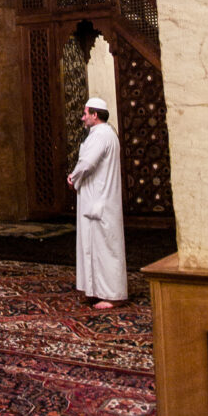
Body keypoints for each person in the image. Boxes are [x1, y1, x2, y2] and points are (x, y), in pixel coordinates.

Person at [67, 97, 128, 309]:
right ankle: (97, 291)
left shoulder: (101, 135)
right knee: (95, 246)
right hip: (99, 198)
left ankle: (113, 295)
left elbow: (87, 163)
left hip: (99, 199)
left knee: (105, 248)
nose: (83, 118)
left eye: (85, 113)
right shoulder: (105, 134)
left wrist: (73, 177)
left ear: (95, 115)